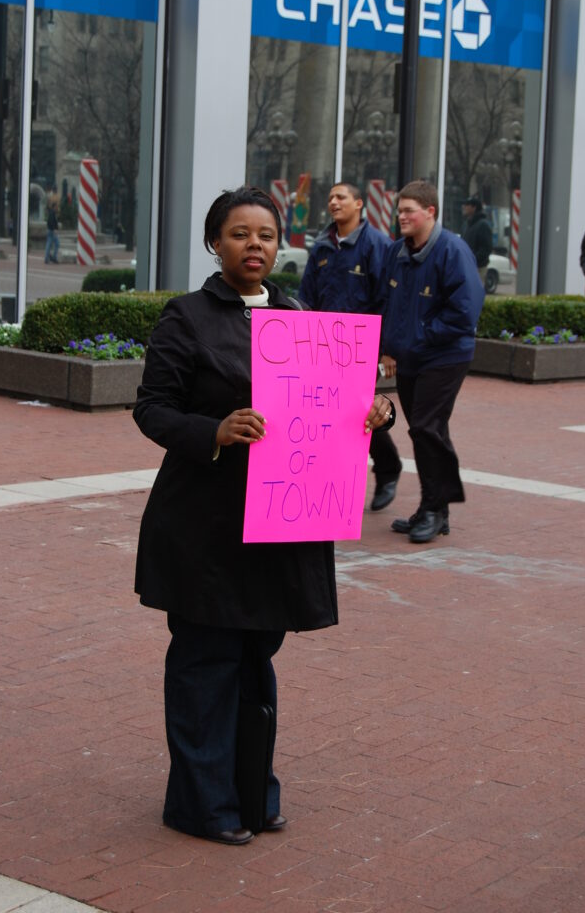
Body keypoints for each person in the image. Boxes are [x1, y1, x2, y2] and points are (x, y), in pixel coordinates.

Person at [133, 185, 394, 846]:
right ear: (213, 243)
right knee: (205, 661)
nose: (255, 245)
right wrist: (213, 431)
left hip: (281, 522)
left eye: (267, 235)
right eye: (240, 234)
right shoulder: (186, 318)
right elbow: (153, 409)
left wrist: (369, 415)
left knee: (255, 659)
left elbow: (337, 402)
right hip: (206, 525)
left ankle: (251, 796)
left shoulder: (300, 314)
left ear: (281, 246)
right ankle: (201, 806)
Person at [380, 180, 485, 544]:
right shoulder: (397, 252)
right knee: (428, 430)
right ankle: (436, 509)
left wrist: (416, 339)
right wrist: (387, 346)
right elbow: (387, 303)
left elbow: (464, 312)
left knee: (425, 426)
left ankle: (433, 508)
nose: (401, 216)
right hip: (411, 356)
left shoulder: (453, 251)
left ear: (430, 212)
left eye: (409, 210)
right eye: (399, 210)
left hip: (444, 356)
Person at [299, 182, 402, 512]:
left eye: (340, 197)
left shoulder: (377, 247)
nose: (333, 202)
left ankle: (387, 469)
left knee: (358, 412)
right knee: (326, 413)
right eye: (329, 197)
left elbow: (388, 300)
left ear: (359, 204)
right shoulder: (321, 247)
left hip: (360, 348)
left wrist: (385, 349)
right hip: (321, 346)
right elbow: (306, 297)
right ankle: (332, 482)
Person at [460, 195, 492, 286]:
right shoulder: (466, 225)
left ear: (474, 207)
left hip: (478, 269)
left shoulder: (483, 225)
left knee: (475, 296)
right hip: (466, 267)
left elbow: (486, 249)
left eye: (467, 204)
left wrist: (472, 261)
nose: (464, 207)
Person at [44, 195, 60, 264]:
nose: (57, 208)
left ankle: (48, 258)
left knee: (50, 244)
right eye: (56, 207)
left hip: (50, 230)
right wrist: (54, 229)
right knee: (55, 244)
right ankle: (52, 257)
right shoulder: (52, 213)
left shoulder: (52, 213)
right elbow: (51, 221)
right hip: (52, 231)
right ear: (54, 207)